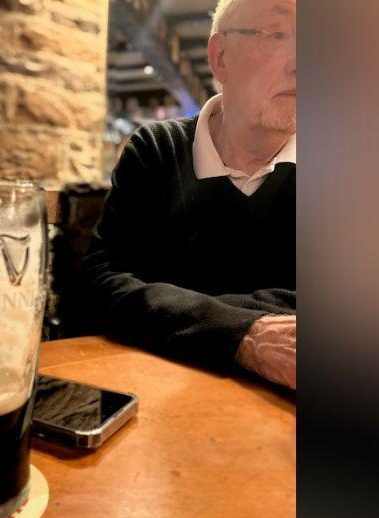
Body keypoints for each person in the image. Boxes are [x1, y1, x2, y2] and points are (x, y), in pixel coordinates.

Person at [81, 0, 297, 389]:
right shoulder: (156, 151)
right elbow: (101, 286)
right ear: (221, 57)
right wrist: (245, 334)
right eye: (279, 34)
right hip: (155, 400)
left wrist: (172, 307)